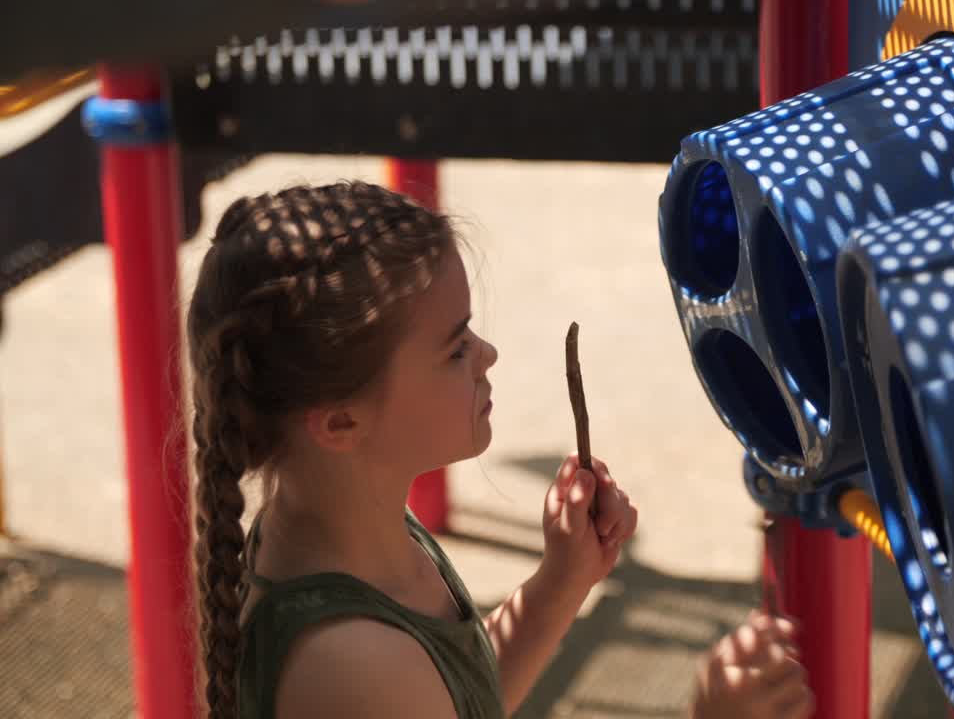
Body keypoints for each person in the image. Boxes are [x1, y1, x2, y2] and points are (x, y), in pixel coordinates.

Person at [185, 181, 814, 719]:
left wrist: (560, 584)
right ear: (341, 421)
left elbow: (457, 700)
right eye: (454, 348)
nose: (487, 355)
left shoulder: (340, 525)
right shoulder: (351, 665)